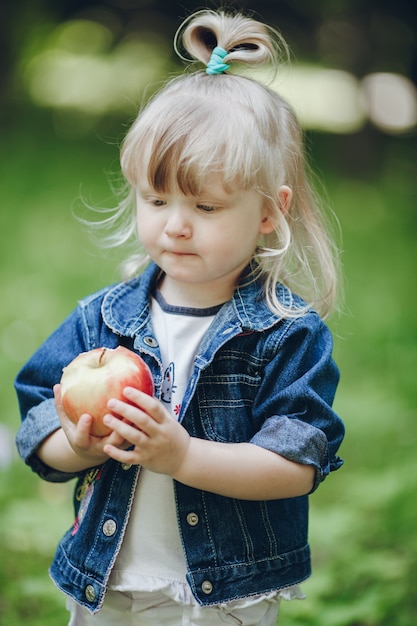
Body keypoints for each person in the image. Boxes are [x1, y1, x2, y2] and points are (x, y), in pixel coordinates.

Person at [15, 8, 345, 626]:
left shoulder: (285, 334)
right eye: (157, 198)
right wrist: (79, 445)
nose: (175, 224)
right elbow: (38, 435)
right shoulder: (102, 321)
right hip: (107, 580)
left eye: (206, 205)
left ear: (270, 213)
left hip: (224, 596)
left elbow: (296, 466)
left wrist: (182, 455)